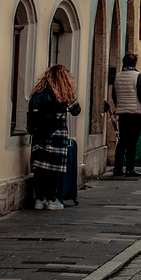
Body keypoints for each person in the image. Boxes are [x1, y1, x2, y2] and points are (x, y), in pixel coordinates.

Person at [27, 64, 81, 210]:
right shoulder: (64, 93)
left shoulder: (39, 92)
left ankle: (40, 198)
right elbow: (76, 110)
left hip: (40, 136)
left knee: (40, 168)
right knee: (55, 169)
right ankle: (52, 198)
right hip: (58, 136)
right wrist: (70, 95)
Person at [111, 53, 141, 178]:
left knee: (122, 141)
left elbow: (114, 94)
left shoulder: (118, 76)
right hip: (135, 113)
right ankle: (130, 169)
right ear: (134, 63)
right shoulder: (136, 76)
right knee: (132, 141)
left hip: (122, 113)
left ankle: (117, 168)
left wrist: (119, 106)